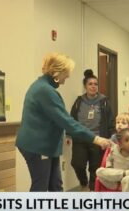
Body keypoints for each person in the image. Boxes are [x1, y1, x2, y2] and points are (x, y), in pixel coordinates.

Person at [16, 53, 111, 192]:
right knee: (40, 187)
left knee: (56, 185)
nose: (68, 77)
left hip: (47, 146)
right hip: (37, 146)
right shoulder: (44, 90)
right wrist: (96, 139)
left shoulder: (43, 87)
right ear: (56, 72)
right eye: (66, 73)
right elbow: (67, 121)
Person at [69, 69, 115, 191]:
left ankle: (93, 190)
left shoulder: (104, 101)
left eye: (95, 84)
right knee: (77, 164)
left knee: (95, 168)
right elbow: (71, 119)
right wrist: (69, 133)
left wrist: (111, 137)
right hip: (81, 138)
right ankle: (84, 182)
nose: (93, 86)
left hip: (98, 139)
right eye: (90, 84)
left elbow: (111, 120)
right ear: (85, 86)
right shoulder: (79, 101)